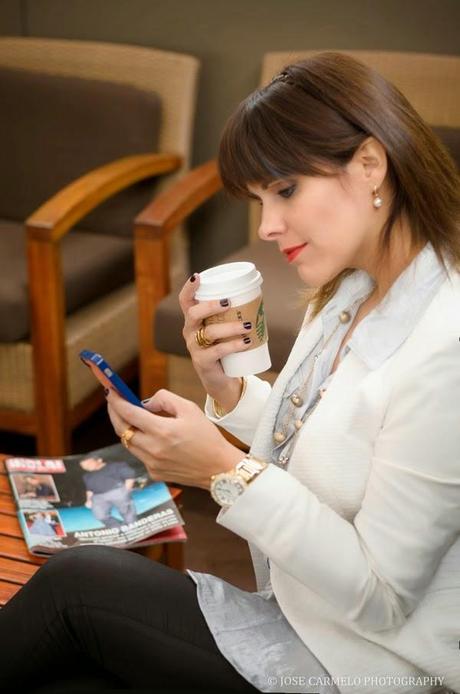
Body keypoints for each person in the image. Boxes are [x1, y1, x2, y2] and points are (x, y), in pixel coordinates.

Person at [0, 52, 458, 693]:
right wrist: (227, 391)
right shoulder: (355, 288)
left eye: (287, 189)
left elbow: (383, 595)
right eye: (260, 198)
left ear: (370, 164)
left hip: (368, 665)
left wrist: (221, 469)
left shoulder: (446, 348)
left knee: (78, 587)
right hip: (306, 618)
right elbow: (334, 433)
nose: (268, 226)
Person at [79, 456, 137, 528]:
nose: (86, 467)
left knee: (127, 512)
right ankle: (118, 527)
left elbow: (130, 476)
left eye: (88, 464)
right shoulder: (86, 476)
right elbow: (89, 489)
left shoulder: (115, 466)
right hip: (98, 497)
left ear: (99, 460)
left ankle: (132, 526)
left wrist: (125, 491)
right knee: (100, 516)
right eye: (83, 466)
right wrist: (88, 500)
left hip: (117, 491)